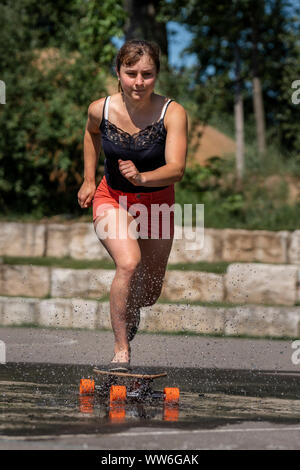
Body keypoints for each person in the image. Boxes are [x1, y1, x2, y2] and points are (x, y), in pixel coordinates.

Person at [77, 39, 188, 371]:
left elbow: (177, 169)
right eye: (131, 73)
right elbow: (91, 133)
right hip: (112, 197)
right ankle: (121, 350)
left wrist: (142, 178)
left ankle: (132, 310)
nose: (139, 82)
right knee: (128, 263)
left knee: (150, 291)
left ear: (157, 75)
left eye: (147, 74)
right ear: (118, 72)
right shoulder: (101, 109)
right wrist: (87, 178)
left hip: (157, 205)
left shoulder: (173, 112)